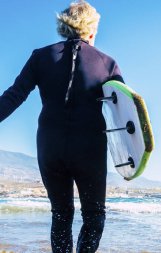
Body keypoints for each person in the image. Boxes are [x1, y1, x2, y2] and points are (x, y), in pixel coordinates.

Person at [0, 1, 123, 252]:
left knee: (61, 214)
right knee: (94, 216)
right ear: (91, 29)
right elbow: (124, 114)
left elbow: (14, 95)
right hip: (88, 148)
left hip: (50, 146)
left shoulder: (41, 56)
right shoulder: (107, 63)